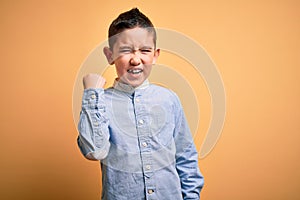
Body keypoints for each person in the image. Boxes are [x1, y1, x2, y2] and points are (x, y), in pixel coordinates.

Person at [77, 8, 204, 200]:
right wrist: (92, 94)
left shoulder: (169, 100)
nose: (136, 59)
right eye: (125, 50)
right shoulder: (99, 103)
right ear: (110, 55)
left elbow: (186, 158)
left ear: (155, 55)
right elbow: (95, 150)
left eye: (145, 50)